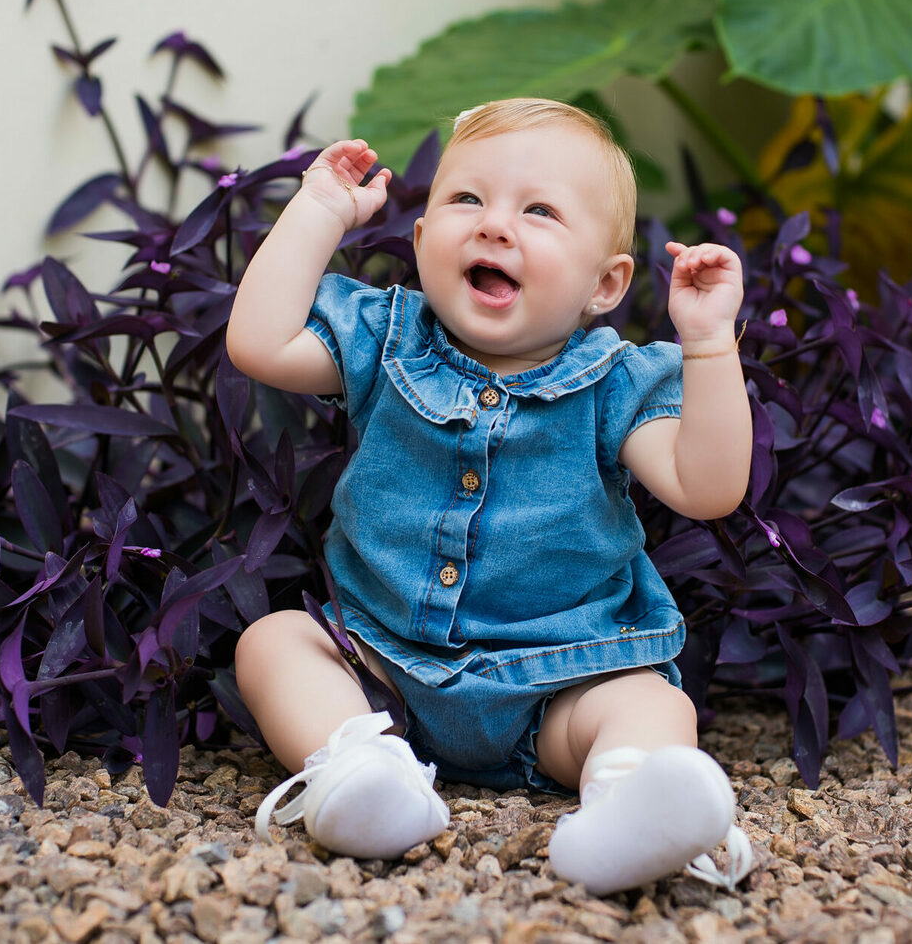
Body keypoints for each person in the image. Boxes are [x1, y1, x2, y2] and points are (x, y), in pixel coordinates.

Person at [226, 98, 754, 895]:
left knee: (651, 704)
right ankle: (360, 773)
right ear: (419, 240)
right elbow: (259, 343)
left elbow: (706, 488)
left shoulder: (613, 384)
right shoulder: (386, 339)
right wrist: (320, 209)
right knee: (273, 643)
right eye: (466, 198)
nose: (494, 225)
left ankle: (622, 807)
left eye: (539, 211)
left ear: (605, 283)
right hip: (381, 668)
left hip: (562, 684)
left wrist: (710, 343)